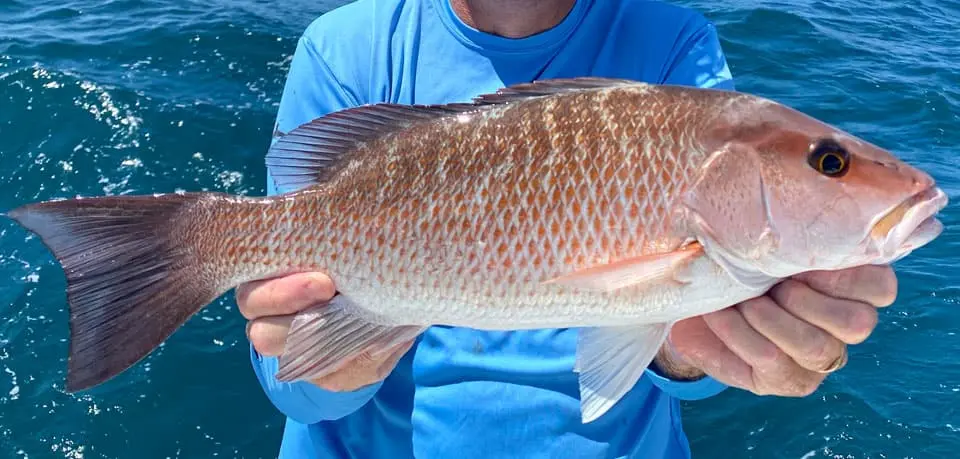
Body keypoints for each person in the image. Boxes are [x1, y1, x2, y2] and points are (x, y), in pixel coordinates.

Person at [239, 0, 899, 457]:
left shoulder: (675, 42)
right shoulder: (341, 49)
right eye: (831, 163)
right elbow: (295, 391)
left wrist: (693, 344)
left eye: (829, 163)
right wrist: (332, 358)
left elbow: (680, 339)